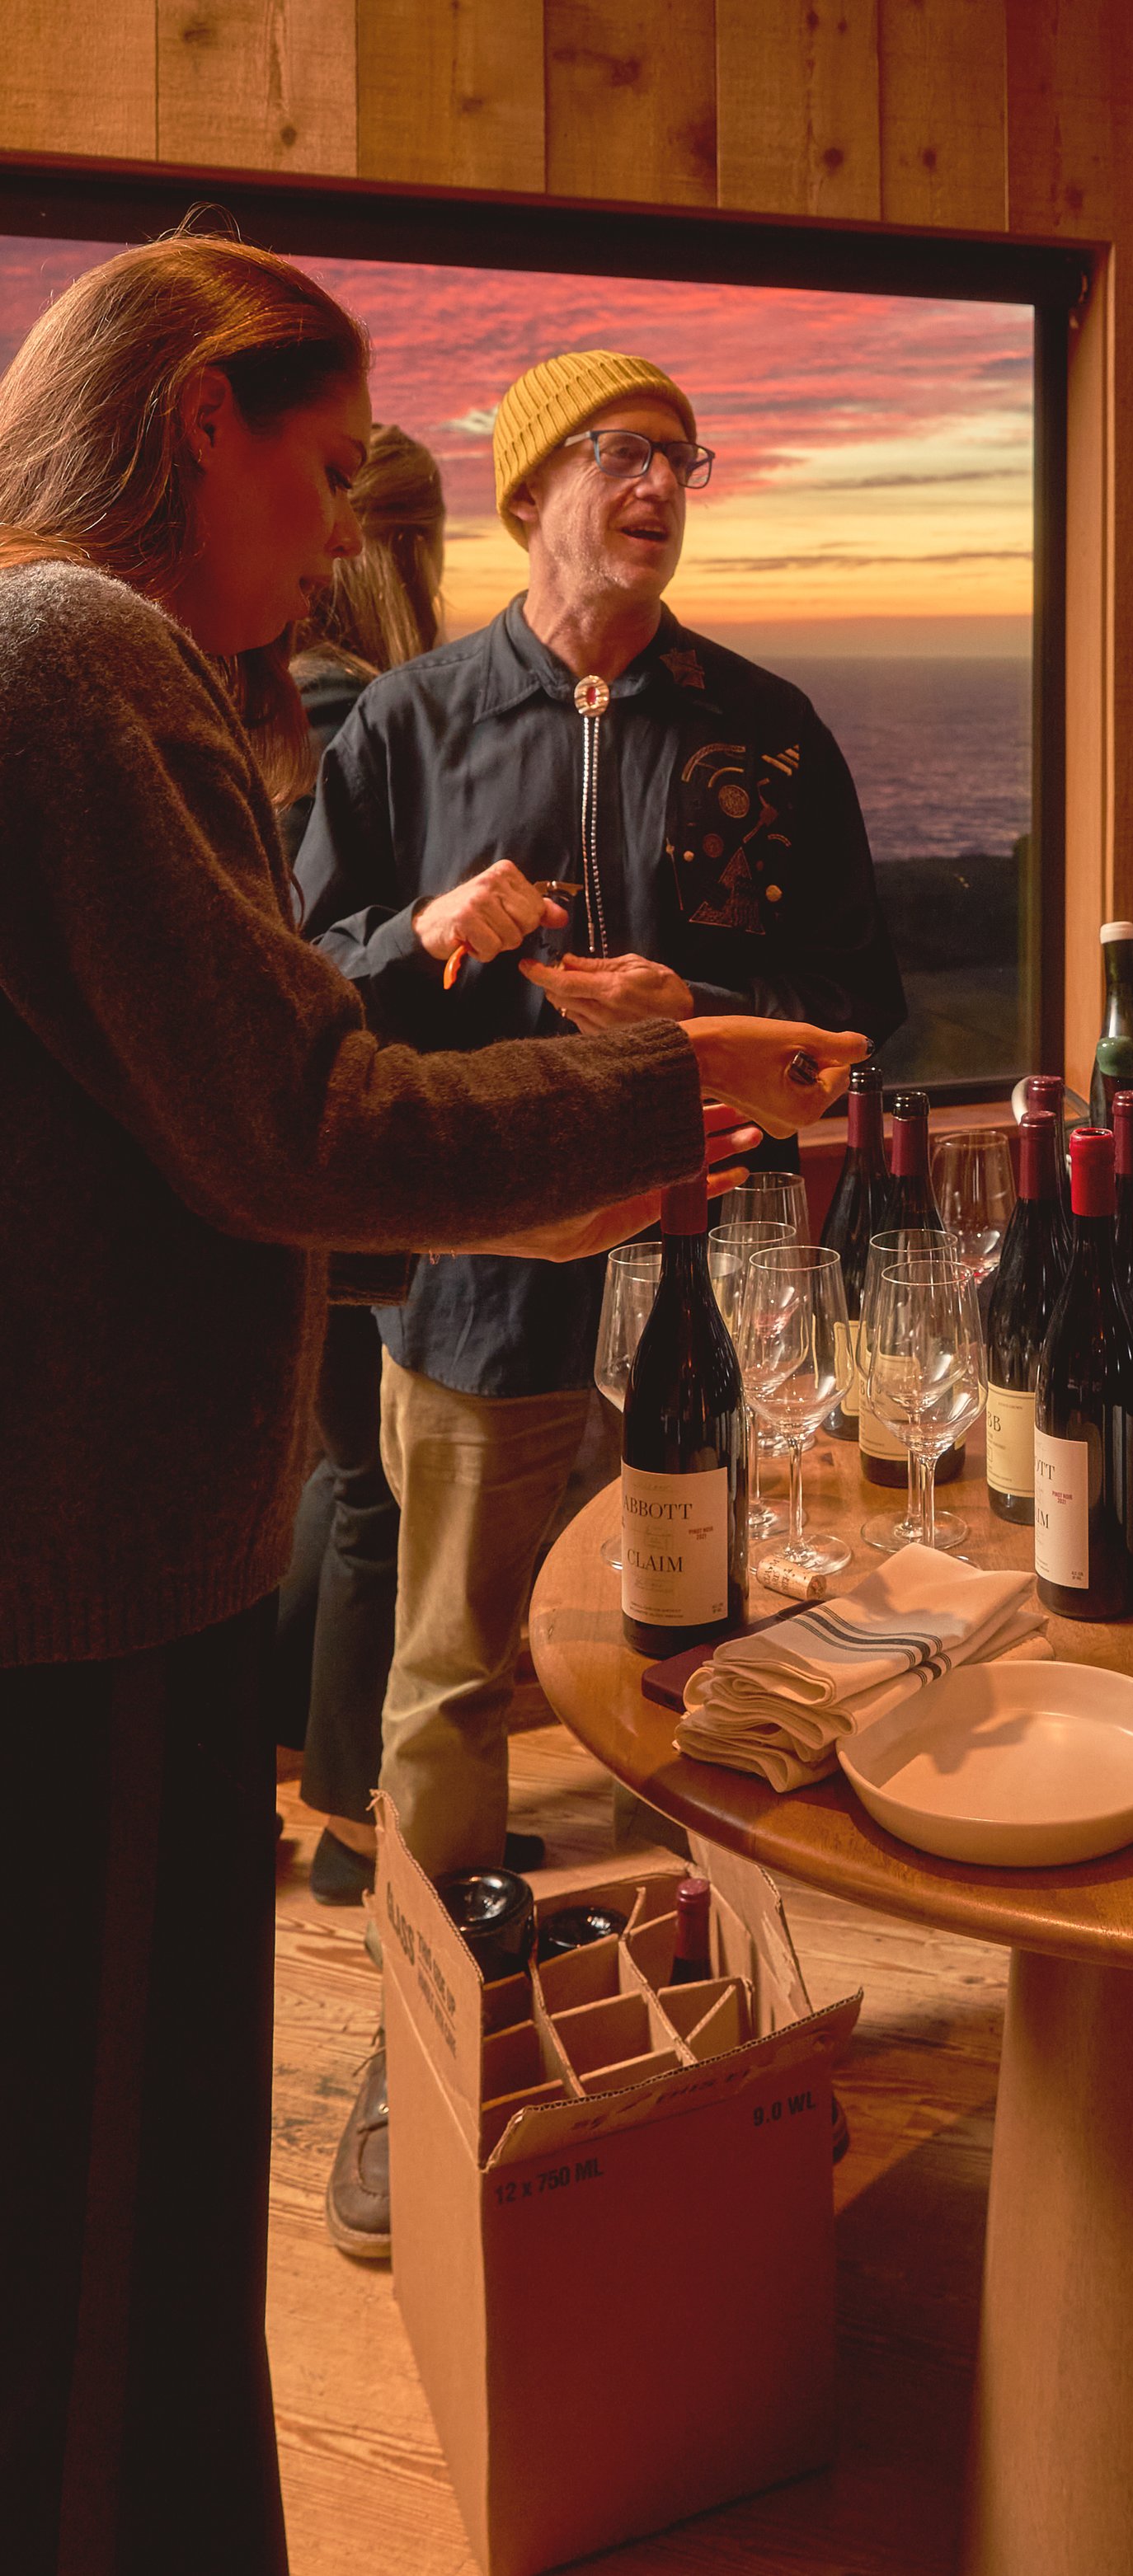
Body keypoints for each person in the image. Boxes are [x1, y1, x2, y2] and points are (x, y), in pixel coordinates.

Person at [0, 232, 867, 2575]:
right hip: (82, 1575)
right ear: (205, 417)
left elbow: (179, 1145)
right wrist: (657, 1088)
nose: (337, 513)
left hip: (107, 1543)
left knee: (110, 2206)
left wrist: (607, 1130)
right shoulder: (82, 659)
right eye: (322, 455)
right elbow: (292, 1112)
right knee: (108, 2219)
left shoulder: (94, 666)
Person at [295, 346, 905, 2256]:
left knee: (726, 1673)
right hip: (479, 1292)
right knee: (450, 1680)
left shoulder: (772, 731)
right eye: (620, 456)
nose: (660, 483)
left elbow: (855, 1020)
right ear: (531, 488)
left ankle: (733, 2035)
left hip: (714, 1283)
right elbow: (305, 988)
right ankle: (425, 2043)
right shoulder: (402, 721)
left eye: (680, 459)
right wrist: (427, 934)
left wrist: (695, 1031)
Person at [270, 425, 445, 1903]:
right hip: (340, 1128)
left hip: (269, 1144)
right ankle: (345, 1823)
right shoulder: (363, 721)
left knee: (335, 1463)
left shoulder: (261, 703)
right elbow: (341, 955)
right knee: (378, 1484)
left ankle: (279, 1755)